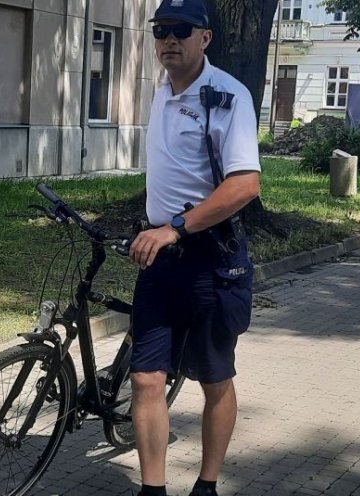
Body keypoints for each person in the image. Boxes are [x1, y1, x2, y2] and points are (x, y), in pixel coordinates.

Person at [127, 1, 261, 495]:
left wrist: (176, 227)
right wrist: (157, 230)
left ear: (205, 38)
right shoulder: (160, 93)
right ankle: (153, 489)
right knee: (145, 379)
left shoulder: (226, 95)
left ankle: (206, 484)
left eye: (181, 30)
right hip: (160, 260)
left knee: (214, 378)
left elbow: (245, 185)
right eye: (160, 30)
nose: (168, 39)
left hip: (211, 259)